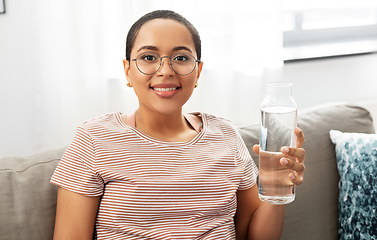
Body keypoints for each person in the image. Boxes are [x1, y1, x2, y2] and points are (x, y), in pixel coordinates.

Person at [50, 10, 306, 240]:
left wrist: (279, 189)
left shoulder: (227, 134)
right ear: (127, 71)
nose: (165, 70)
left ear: (198, 72)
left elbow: (254, 236)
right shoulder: (94, 138)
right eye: (149, 57)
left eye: (181, 58)